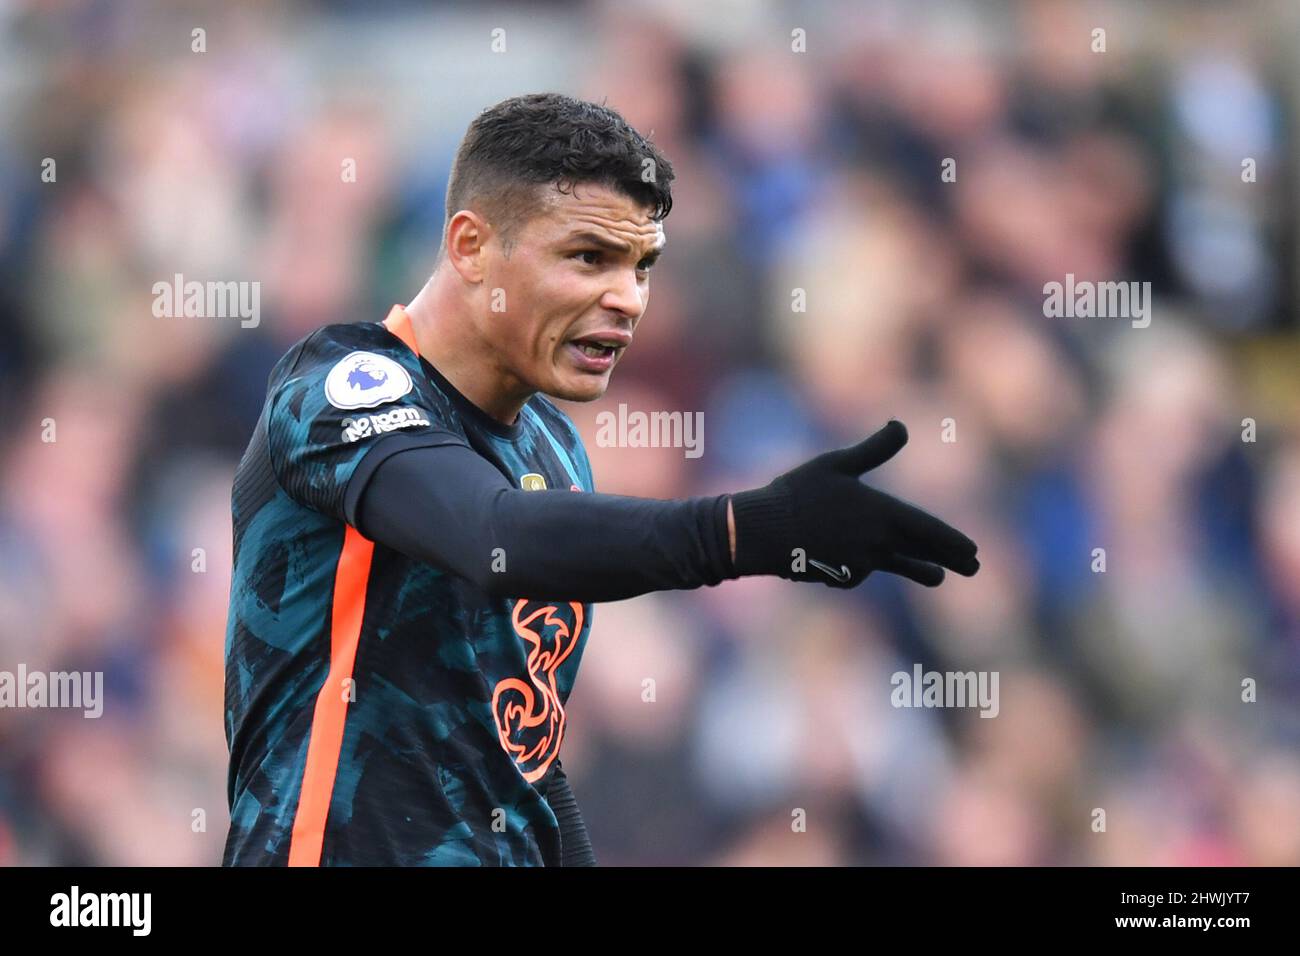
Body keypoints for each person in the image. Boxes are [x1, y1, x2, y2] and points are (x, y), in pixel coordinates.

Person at [223, 92, 979, 867]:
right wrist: (743, 531)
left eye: (642, 265)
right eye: (589, 257)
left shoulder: (554, 451)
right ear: (472, 245)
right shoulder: (337, 387)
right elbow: (488, 536)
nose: (627, 299)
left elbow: (527, 756)